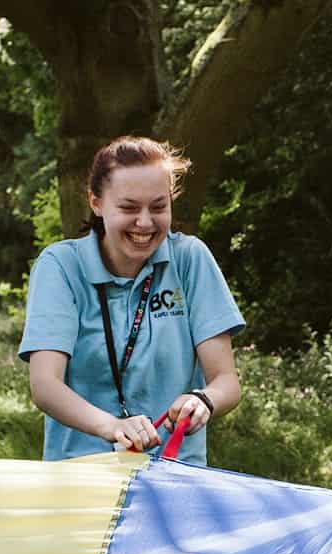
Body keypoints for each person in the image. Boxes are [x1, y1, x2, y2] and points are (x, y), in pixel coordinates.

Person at [19, 136, 244, 466]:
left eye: (158, 207)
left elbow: (226, 381)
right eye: (128, 208)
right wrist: (112, 427)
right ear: (96, 203)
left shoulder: (190, 259)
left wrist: (203, 400)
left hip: (174, 476)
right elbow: (45, 385)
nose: (145, 222)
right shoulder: (60, 266)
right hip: (82, 479)